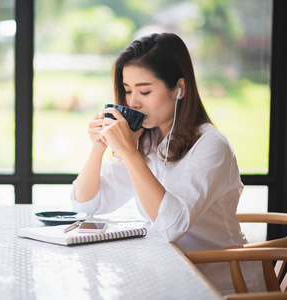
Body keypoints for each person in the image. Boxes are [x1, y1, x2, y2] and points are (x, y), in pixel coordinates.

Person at [70, 33, 264, 295]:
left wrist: (129, 152)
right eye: (127, 91)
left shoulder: (211, 146)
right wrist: (98, 149)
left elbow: (171, 226)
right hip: (169, 273)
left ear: (179, 88)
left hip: (218, 282)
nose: (133, 102)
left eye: (145, 91)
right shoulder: (147, 140)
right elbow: (87, 204)